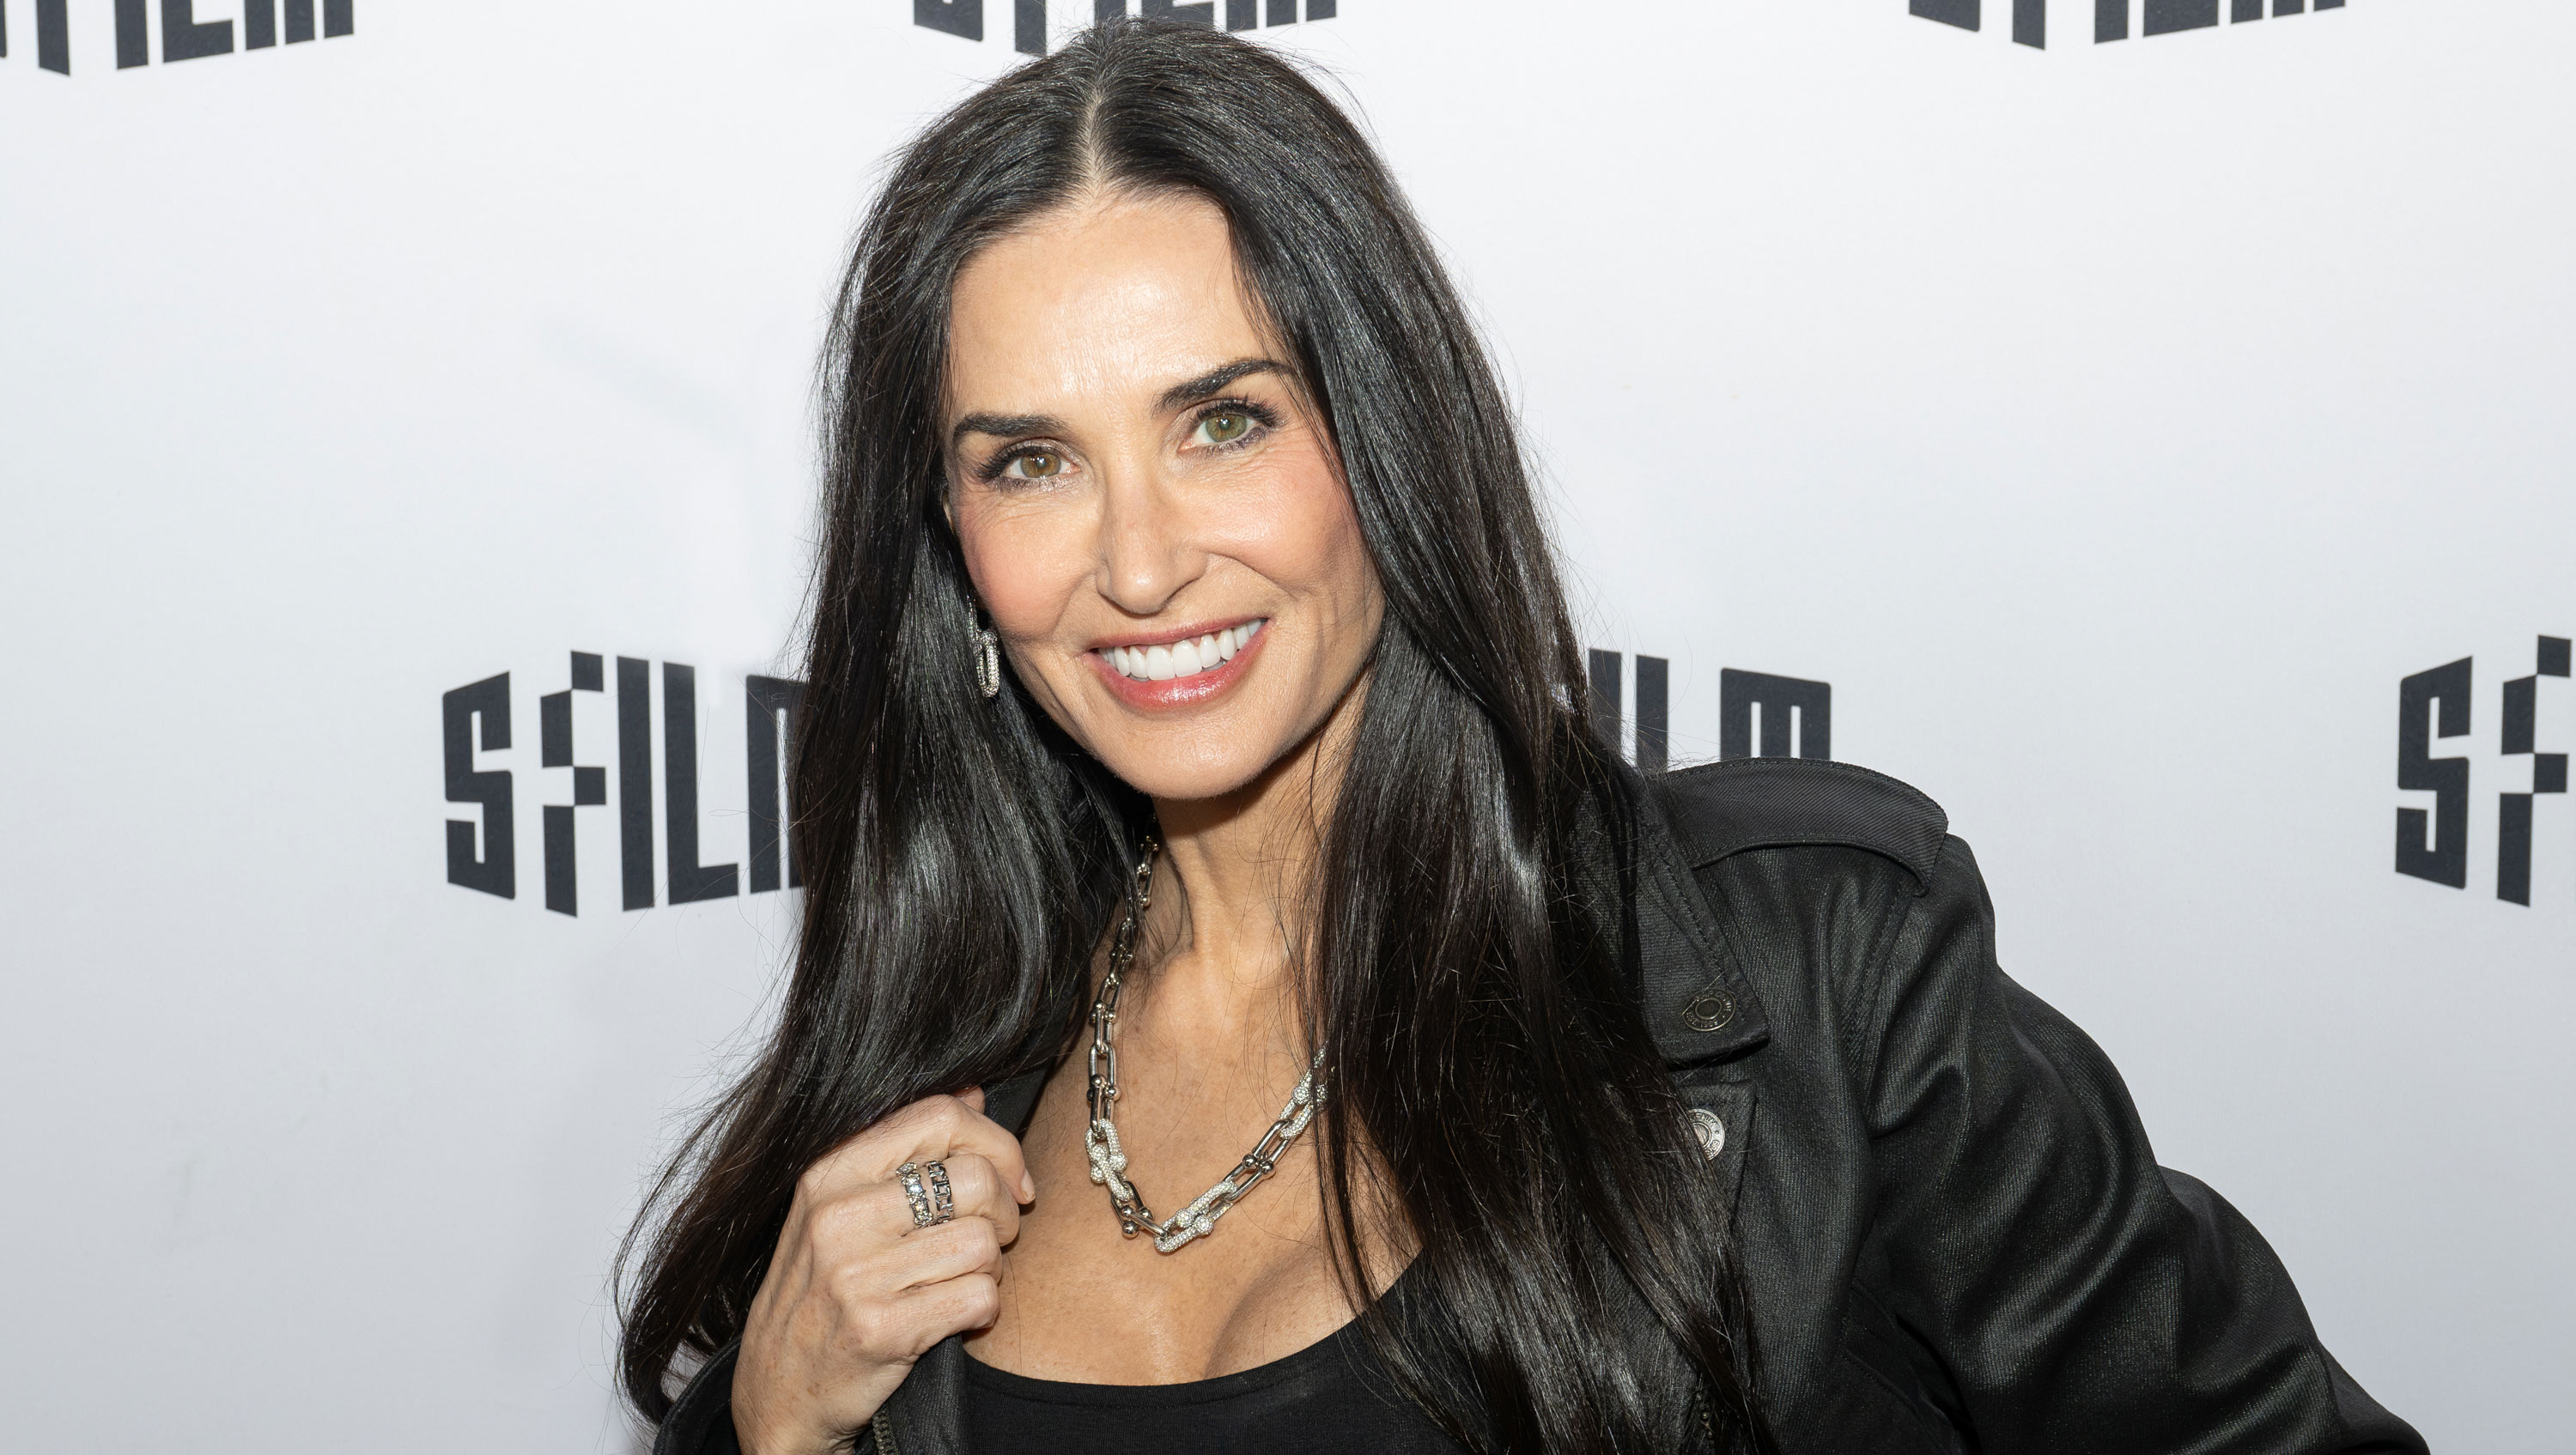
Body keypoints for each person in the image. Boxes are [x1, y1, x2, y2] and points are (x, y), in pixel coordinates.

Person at [618, 19, 2423, 1455]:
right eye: (1032, 461)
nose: (1145, 559)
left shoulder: (1799, 976)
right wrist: (769, 1426)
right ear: (953, 545)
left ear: (1383, 440)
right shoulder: (927, 1066)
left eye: (1225, 420)